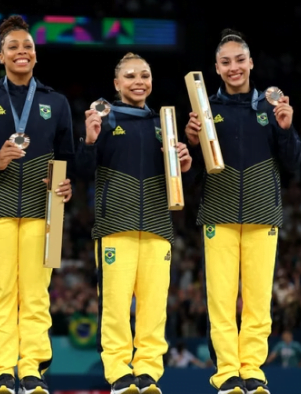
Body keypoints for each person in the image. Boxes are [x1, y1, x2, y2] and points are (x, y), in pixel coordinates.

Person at [0, 15, 74, 394]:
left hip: (46, 207)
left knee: (37, 292)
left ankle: (33, 369)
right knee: (3, 290)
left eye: (27, 47)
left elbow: (68, 155)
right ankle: (3, 371)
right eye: (13, 47)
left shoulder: (55, 101)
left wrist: (67, 184)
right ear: (1, 56)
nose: (21, 52)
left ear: (35, 55)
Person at [184, 29, 301, 394]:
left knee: (257, 302)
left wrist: (285, 129)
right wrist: (191, 143)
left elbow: (293, 165)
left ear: (250, 63)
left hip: (263, 214)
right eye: (226, 62)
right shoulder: (206, 111)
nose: (234, 67)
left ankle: (252, 371)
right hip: (218, 215)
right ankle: (226, 376)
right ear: (217, 69)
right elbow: (193, 176)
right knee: (220, 301)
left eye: (239, 60)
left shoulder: (270, 107)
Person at [78, 52, 192, 394]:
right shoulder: (106, 120)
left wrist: (184, 164)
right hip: (115, 228)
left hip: (158, 228)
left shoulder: (164, 125)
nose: (138, 81)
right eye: (130, 76)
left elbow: (177, 181)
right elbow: (83, 171)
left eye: (144, 75)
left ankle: (147, 373)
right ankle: (118, 373)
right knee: (114, 307)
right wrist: (89, 139)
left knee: (154, 309)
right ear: (116, 84)